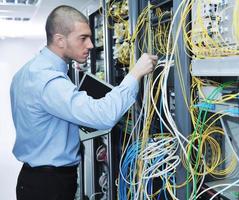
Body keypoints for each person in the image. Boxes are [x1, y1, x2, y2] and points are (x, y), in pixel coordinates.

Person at [10, 5, 158, 200]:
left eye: (90, 37)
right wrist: (136, 73)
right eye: (83, 38)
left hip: (36, 180)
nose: (90, 45)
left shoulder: (27, 72)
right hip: (49, 186)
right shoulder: (49, 80)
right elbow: (103, 116)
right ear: (60, 40)